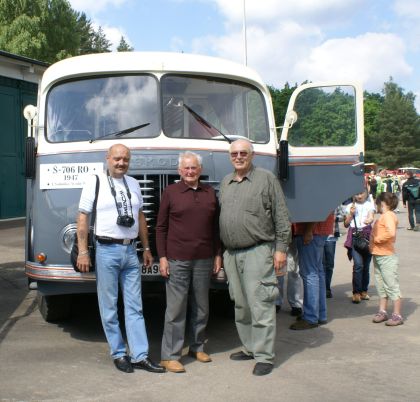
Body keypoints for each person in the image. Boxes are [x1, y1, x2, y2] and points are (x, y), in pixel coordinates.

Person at [76, 144, 165, 374]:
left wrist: (146, 247)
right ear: (108, 158)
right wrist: (84, 251)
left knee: (135, 307)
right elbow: (83, 217)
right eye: (117, 158)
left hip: (130, 252)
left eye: (125, 159)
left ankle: (140, 355)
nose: (121, 163)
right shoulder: (94, 181)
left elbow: (140, 216)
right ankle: (118, 353)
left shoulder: (133, 183)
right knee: (109, 307)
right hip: (106, 251)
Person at [219, 139, 291, 376]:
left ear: (252, 155)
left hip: (258, 251)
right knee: (241, 305)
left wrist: (281, 249)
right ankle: (250, 347)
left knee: (260, 304)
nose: (238, 156)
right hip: (231, 253)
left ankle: (264, 356)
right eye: (234, 153)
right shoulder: (226, 183)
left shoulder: (266, 179)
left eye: (243, 153)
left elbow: (281, 216)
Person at [156, 151, 222, 373]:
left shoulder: (210, 193)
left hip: (204, 259)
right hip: (177, 259)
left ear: (200, 170)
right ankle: (170, 355)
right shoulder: (171, 192)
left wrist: (217, 254)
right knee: (176, 308)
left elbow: (215, 228)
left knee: (202, 306)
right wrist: (162, 257)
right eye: (186, 168)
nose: (190, 171)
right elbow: (161, 227)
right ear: (179, 171)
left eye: (194, 168)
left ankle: (197, 346)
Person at [289, 213, 335, 330]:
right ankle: (319, 314)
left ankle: (311, 317)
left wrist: (309, 229)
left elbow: (315, 209)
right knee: (317, 273)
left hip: (311, 231)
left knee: (310, 274)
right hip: (318, 231)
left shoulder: (315, 194)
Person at [370, 192, 403, 326]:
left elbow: (391, 233)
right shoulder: (383, 216)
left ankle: (397, 315)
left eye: (377, 203)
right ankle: (382, 311)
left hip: (386, 256)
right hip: (378, 255)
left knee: (391, 285)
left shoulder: (389, 216)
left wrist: (377, 239)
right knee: (381, 285)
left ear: (382, 203)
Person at [343, 190, 375, 303]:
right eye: (357, 194)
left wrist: (369, 219)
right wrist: (351, 214)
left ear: (366, 193)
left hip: (367, 236)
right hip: (354, 237)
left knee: (366, 266)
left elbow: (371, 216)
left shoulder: (370, 205)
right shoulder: (349, 206)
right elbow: (346, 224)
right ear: (353, 195)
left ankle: (364, 291)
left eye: (361, 193)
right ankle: (356, 292)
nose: (359, 196)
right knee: (358, 265)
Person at [275, 237, 303, 316]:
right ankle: (276, 301)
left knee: (294, 272)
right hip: (277, 236)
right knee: (278, 270)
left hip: (293, 235)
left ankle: (296, 304)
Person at [323, 210, 340, 298]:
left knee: (329, 265)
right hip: (319, 235)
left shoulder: (335, 201)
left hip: (331, 237)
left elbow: (341, 216)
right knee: (321, 265)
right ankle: (322, 288)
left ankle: (327, 288)